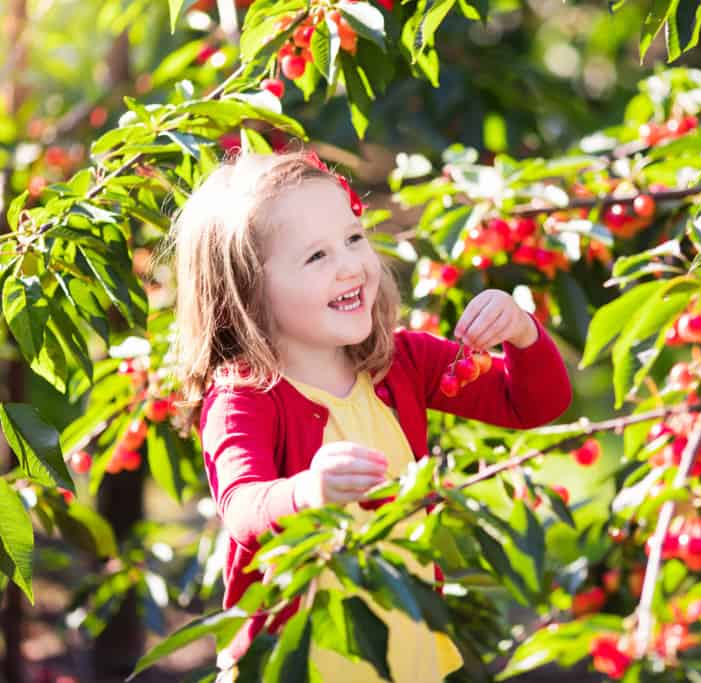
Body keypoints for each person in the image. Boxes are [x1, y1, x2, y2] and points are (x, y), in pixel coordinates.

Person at [169, 149, 572, 681]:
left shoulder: (400, 361)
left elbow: (531, 405)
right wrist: (306, 492)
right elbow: (242, 505)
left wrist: (522, 334)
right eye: (316, 256)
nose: (351, 265)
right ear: (247, 292)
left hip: (404, 650)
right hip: (302, 662)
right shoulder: (243, 397)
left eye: (353, 238)